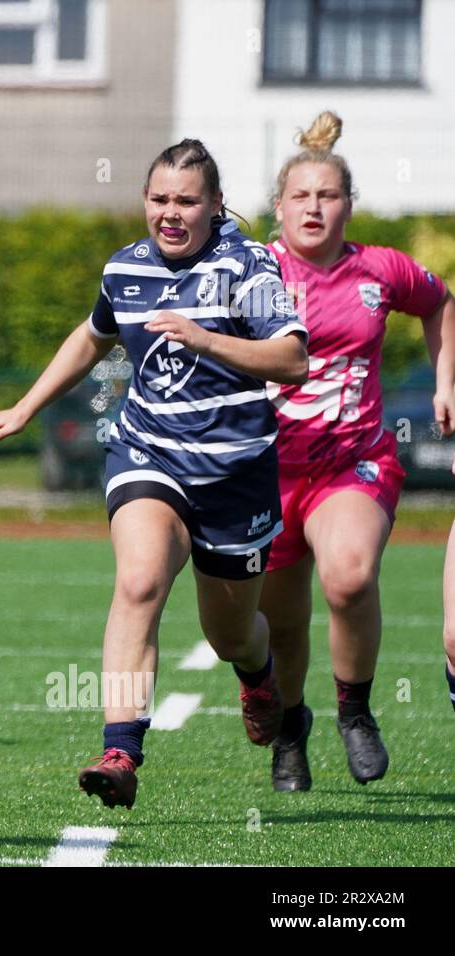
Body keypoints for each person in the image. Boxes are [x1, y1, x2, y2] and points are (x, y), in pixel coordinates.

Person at [0, 139, 309, 809]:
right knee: (140, 577)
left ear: (215, 205)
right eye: (158, 199)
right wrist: (26, 406)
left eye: (186, 201)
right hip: (148, 452)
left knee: (231, 632)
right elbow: (94, 336)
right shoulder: (124, 268)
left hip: (235, 475)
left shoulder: (248, 267)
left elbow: (291, 361)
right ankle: (120, 749)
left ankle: (259, 678)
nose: (170, 214)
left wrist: (207, 337)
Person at [258, 111, 455, 790]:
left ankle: (356, 711)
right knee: (281, 626)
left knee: (347, 575)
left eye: (328, 195)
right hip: (267, 473)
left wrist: (446, 383)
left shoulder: (380, 269)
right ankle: (291, 727)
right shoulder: (250, 273)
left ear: (349, 204)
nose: (314, 208)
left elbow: (441, 302)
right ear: (277, 206)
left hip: (354, 460)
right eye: (301, 196)